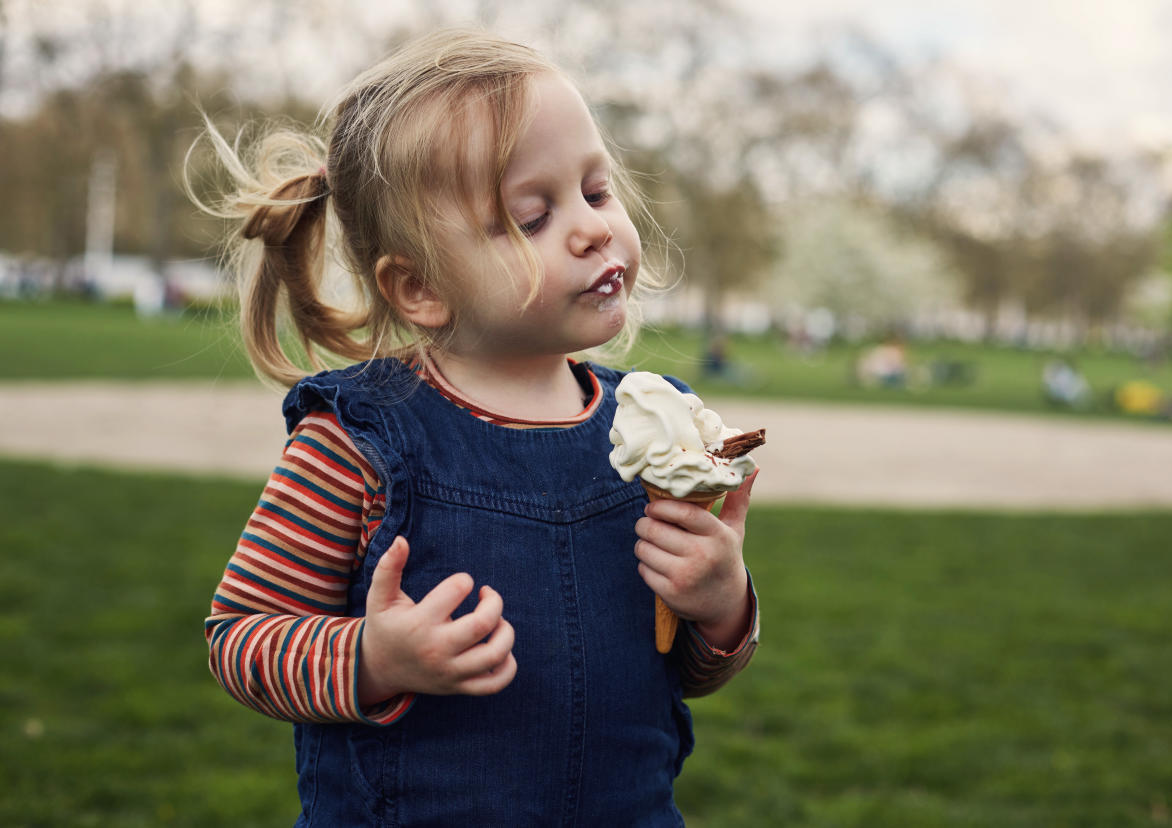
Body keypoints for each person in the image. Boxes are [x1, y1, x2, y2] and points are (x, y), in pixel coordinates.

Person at [196, 29, 760, 827]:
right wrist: (372, 658)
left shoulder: (654, 425)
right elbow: (241, 637)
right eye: (531, 217)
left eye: (597, 192)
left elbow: (683, 667)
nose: (593, 228)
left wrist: (722, 600)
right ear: (420, 286)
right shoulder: (357, 444)